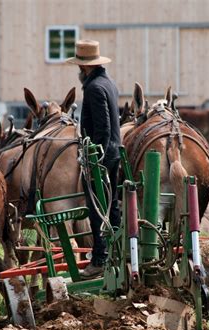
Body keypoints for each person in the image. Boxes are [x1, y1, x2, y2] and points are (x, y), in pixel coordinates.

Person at [67, 40, 121, 279]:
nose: (79, 72)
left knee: (97, 209)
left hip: (102, 158)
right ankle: (118, 253)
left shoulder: (93, 88)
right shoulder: (109, 83)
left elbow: (103, 128)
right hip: (114, 153)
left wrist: (94, 157)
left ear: (84, 68)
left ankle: (99, 259)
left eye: (79, 67)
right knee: (113, 207)